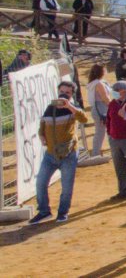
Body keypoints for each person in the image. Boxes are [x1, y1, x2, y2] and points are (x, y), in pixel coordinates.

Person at [29, 80, 89, 224]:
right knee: (40, 183)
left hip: (68, 154)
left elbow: (84, 119)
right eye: (62, 92)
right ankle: (44, 211)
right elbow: (43, 123)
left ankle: (63, 212)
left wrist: (69, 106)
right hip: (50, 154)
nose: (64, 95)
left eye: (67, 93)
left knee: (66, 186)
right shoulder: (50, 108)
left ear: (72, 94)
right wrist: (42, 135)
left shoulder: (72, 109)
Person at [84, 63, 112, 156]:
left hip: (98, 108)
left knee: (101, 131)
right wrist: (113, 107)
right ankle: (96, 153)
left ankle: (96, 152)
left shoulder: (95, 82)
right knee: (101, 131)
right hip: (101, 109)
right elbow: (105, 98)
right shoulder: (99, 83)